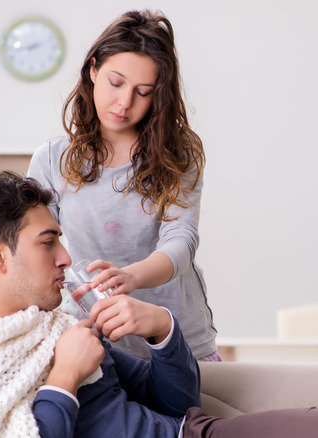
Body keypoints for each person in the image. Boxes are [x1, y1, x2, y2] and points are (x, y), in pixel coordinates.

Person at [0, 171, 318, 438]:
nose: (66, 257)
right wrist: (64, 379)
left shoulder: (53, 329)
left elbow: (177, 404)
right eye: (47, 243)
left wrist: (160, 329)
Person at [27, 9, 217, 361]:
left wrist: (131, 277)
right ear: (93, 69)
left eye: (142, 92)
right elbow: (32, 243)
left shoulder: (179, 154)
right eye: (116, 83)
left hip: (177, 340)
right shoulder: (52, 159)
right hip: (93, 341)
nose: (124, 103)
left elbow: (182, 240)